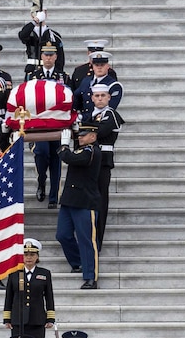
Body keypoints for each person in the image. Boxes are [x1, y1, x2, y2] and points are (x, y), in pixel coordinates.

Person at [56, 122, 101, 289]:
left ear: (93, 136)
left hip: (85, 201)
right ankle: (78, 262)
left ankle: (91, 276)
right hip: (69, 200)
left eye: (84, 135)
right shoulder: (81, 149)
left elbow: (74, 159)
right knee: (62, 235)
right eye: (79, 135)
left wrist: (64, 147)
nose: (80, 137)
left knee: (86, 240)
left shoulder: (92, 151)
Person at [81, 83, 125, 250]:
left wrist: (85, 131)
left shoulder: (111, 114)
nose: (99, 99)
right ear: (92, 98)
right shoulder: (90, 116)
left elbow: (99, 132)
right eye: (97, 96)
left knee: (100, 200)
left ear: (109, 98)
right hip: (88, 160)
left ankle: (97, 239)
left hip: (103, 161)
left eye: (103, 96)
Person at [28, 41, 70, 209]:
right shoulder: (33, 76)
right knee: (42, 153)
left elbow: (69, 97)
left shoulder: (63, 76)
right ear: (41, 56)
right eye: (46, 55)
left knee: (56, 160)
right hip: (39, 124)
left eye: (51, 55)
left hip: (57, 124)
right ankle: (41, 181)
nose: (48, 58)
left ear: (56, 57)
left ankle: (53, 196)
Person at [3, 238, 56, 338]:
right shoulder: (14, 274)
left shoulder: (45, 273)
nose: (28, 258)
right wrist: (7, 317)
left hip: (37, 320)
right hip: (18, 319)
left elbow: (49, 296)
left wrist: (50, 317)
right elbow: (9, 296)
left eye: (32, 254)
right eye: (25, 255)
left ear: (37, 256)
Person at [19, 10, 65, 81]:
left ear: (46, 14)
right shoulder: (29, 32)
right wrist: (35, 21)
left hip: (49, 71)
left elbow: (60, 58)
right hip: (32, 70)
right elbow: (22, 35)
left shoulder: (54, 35)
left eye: (41, 12)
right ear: (32, 15)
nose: (39, 14)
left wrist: (59, 73)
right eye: (36, 12)